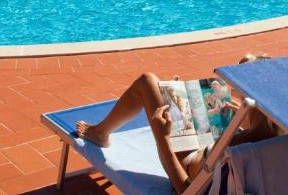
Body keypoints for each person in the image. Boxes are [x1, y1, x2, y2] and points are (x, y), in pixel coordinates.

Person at [76, 53, 275, 194]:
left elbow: (187, 190)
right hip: (209, 149)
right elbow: (257, 131)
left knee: (147, 82)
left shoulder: (235, 149)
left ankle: (100, 132)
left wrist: (164, 140)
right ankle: (171, 95)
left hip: (186, 164)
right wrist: (240, 114)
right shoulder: (281, 136)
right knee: (184, 98)